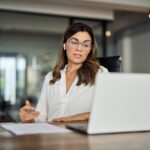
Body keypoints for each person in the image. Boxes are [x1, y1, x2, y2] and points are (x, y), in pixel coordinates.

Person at [19, 22, 108, 123]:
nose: (79, 48)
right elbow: (41, 117)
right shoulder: (51, 77)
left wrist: (71, 118)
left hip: (82, 137)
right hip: (52, 136)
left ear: (90, 50)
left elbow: (108, 111)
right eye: (74, 42)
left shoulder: (100, 73)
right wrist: (28, 118)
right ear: (65, 45)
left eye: (86, 44)